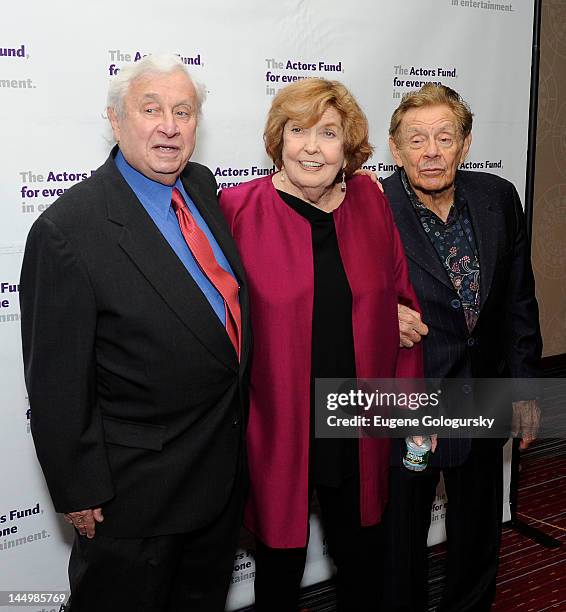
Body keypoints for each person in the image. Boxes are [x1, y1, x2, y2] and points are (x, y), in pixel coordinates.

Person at [19, 54, 250, 612]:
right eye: (151, 110)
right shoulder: (66, 231)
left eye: (183, 111)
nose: (169, 125)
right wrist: (79, 489)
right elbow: (55, 382)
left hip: (218, 477)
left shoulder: (201, 187)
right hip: (134, 498)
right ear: (116, 120)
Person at [219, 78, 423, 611]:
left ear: (347, 148)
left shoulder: (371, 203)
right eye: (298, 130)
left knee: (362, 560)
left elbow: (402, 300)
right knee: (280, 571)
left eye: (328, 133)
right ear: (277, 140)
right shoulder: (238, 209)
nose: (312, 146)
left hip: (356, 416)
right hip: (278, 421)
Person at [381, 83, 542, 612]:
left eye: (445, 137)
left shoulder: (498, 197)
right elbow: (337, 297)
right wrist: (381, 316)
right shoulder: (372, 208)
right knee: (399, 539)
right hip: (409, 400)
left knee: (478, 533)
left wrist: (522, 389)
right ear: (395, 147)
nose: (431, 151)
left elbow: (519, 299)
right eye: (417, 139)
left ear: (466, 144)